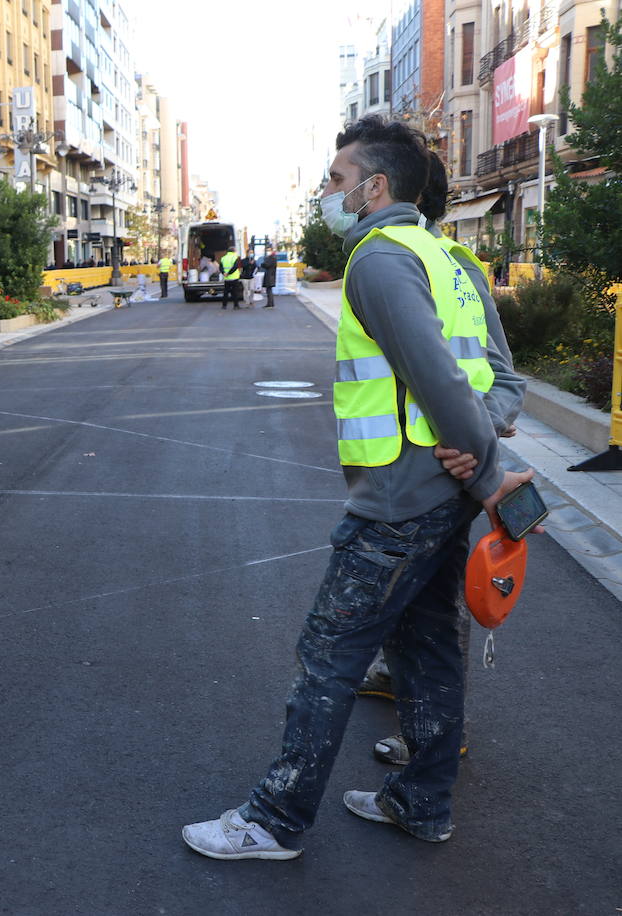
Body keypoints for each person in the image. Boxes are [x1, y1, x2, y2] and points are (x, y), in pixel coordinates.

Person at [182, 115, 536, 860]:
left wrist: (488, 465)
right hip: (446, 497)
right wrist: (477, 450)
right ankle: (423, 802)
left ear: (376, 188)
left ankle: (275, 821)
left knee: (329, 655)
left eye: (337, 181)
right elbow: (503, 382)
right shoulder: (450, 258)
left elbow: (440, 379)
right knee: (428, 642)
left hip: (400, 501)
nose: (327, 193)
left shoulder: (379, 259)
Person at [356, 146, 526, 767]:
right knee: (419, 602)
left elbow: (505, 379)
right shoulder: (389, 264)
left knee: (434, 608)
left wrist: (472, 442)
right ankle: (407, 690)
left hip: (439, 480)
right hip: (394, 473)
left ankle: (434, 731)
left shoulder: (451, 266)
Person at [219, 245, 243, 309]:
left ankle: (224, 305)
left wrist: (224, 273)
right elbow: (235, 267)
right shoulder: (235, 257)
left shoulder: (223, 258)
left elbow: (220, 267)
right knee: (235, 292)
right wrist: (229, 273)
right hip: (234, 277)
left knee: (226, 292)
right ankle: (236, 305)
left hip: (226, 278)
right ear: (234, 251)